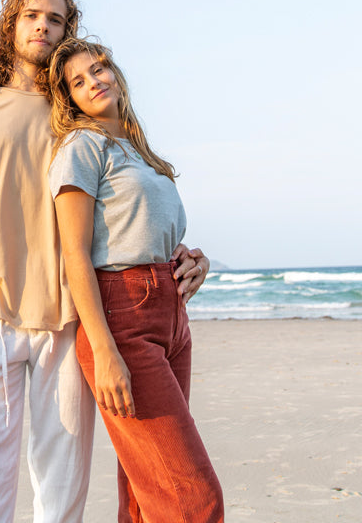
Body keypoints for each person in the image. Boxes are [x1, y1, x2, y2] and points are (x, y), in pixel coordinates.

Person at [0, 0, 210, 523]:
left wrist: (180, 254)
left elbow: (122, 208)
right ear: (11, 24)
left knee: (63, 499)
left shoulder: (81, 120)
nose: (43, 24)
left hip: (70, 320)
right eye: (33, 14)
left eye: (55, 18)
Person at [47, 38, 223, 523]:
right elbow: (76, 255)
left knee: (148, 493)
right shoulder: (82, 147)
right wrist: (104, 351)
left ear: (117, 75)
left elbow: (145, 232)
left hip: (171, 316)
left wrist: (190, 261)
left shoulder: (141, 154)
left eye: (98, 69)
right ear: (71, 100)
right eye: (78, 82)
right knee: (193, 499)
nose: (94, 82)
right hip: (122, 320)